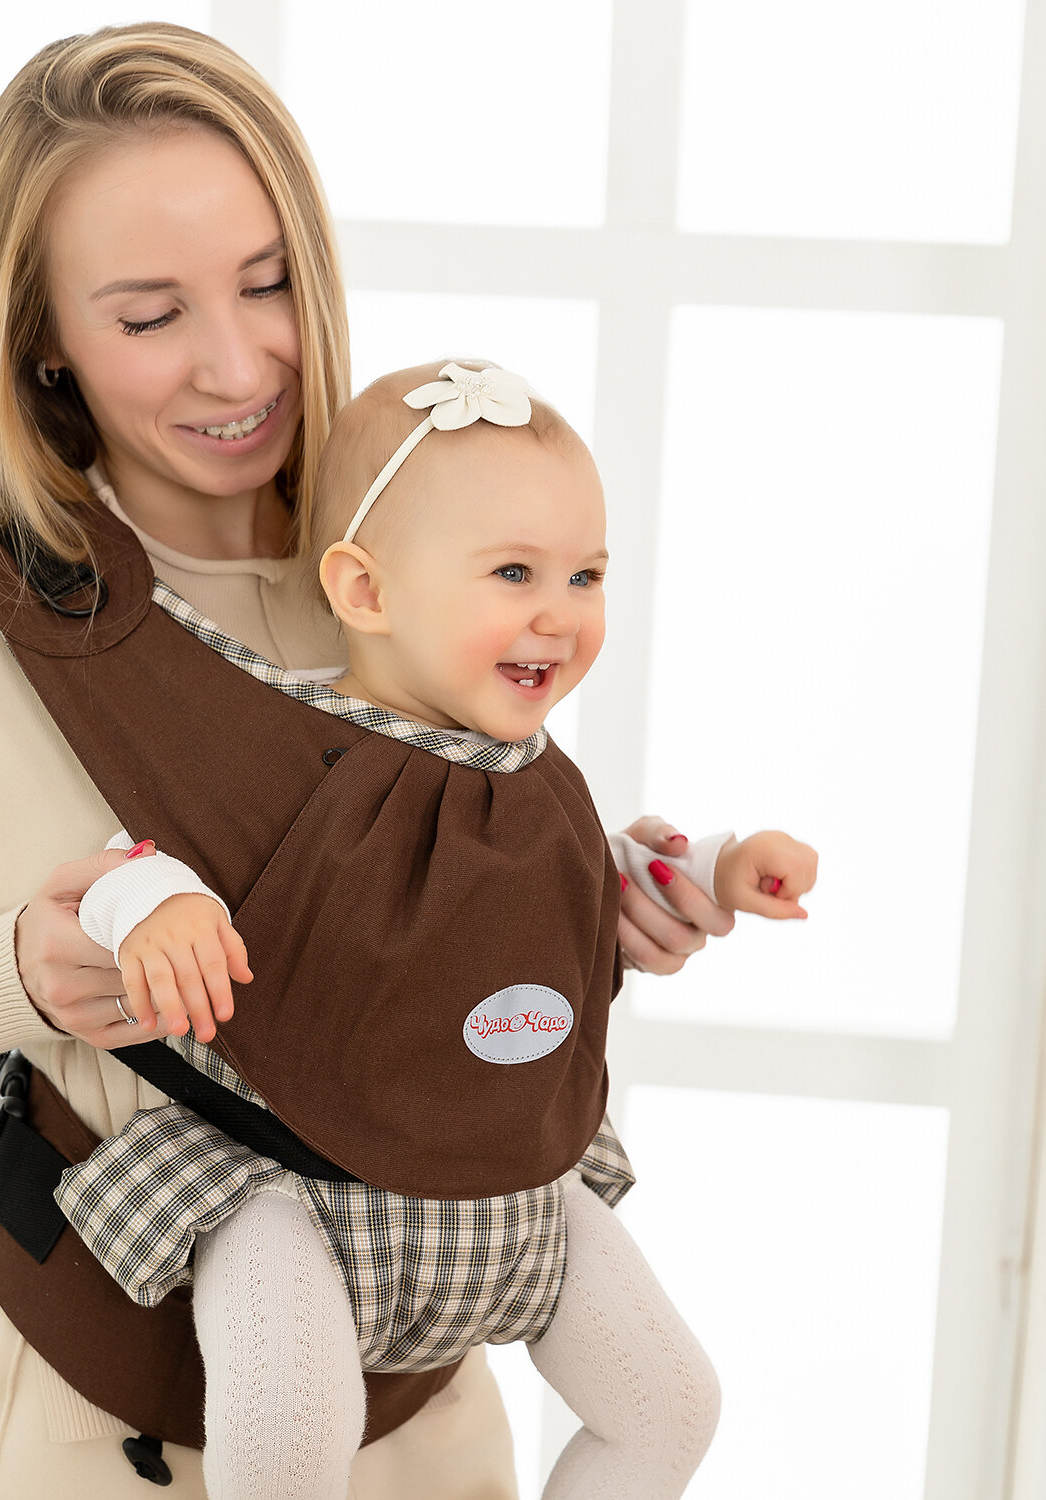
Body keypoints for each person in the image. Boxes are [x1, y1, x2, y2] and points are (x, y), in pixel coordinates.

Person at [0, 24, 741, 1499]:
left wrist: (602, 912)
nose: (237, 364)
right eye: (150, 314)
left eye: (268, 281)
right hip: (98, 1436)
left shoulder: (402, 552)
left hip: (429, 1421)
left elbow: (426, 911)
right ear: (42, 332)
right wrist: (17, 973)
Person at [64, 360, 817, 1499]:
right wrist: (154, 905)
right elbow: (129, 856)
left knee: (672, 1407)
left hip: (511, 1184)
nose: (559, 612)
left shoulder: (540, 781)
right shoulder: (285, 749)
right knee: (286, 1437)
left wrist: (712, 866)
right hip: (294, 1185)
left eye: (586, 574)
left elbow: (593, 888)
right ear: (366, 591)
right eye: (514, 572)